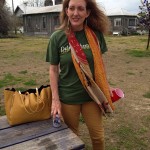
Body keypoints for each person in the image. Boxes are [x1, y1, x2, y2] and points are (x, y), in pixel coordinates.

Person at [46, 0, 114, 149]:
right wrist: (55, 100)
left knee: (98, 138)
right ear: (66, 11)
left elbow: (99, 66)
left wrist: (105, 86)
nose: (75, 13)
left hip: (92, 96)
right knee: (72, 140)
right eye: (71, 8)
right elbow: (53, 70)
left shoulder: (96, 36)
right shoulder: (57, 37)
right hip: (68, 97)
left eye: (80, 9)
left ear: (87, 12)